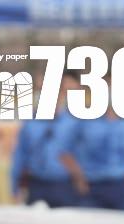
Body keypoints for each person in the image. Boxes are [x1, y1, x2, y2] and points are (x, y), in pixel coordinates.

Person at [61, 106, 124, 211]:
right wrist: (77, 176)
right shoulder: (84, 120)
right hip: (91, 186)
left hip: (123, 185)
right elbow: (65, 150)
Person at [11, 69, 85, 207]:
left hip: (65, 185)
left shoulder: (75, 122)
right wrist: (15, 187)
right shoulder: (30, 122)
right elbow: (20, 155)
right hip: (36, 184)